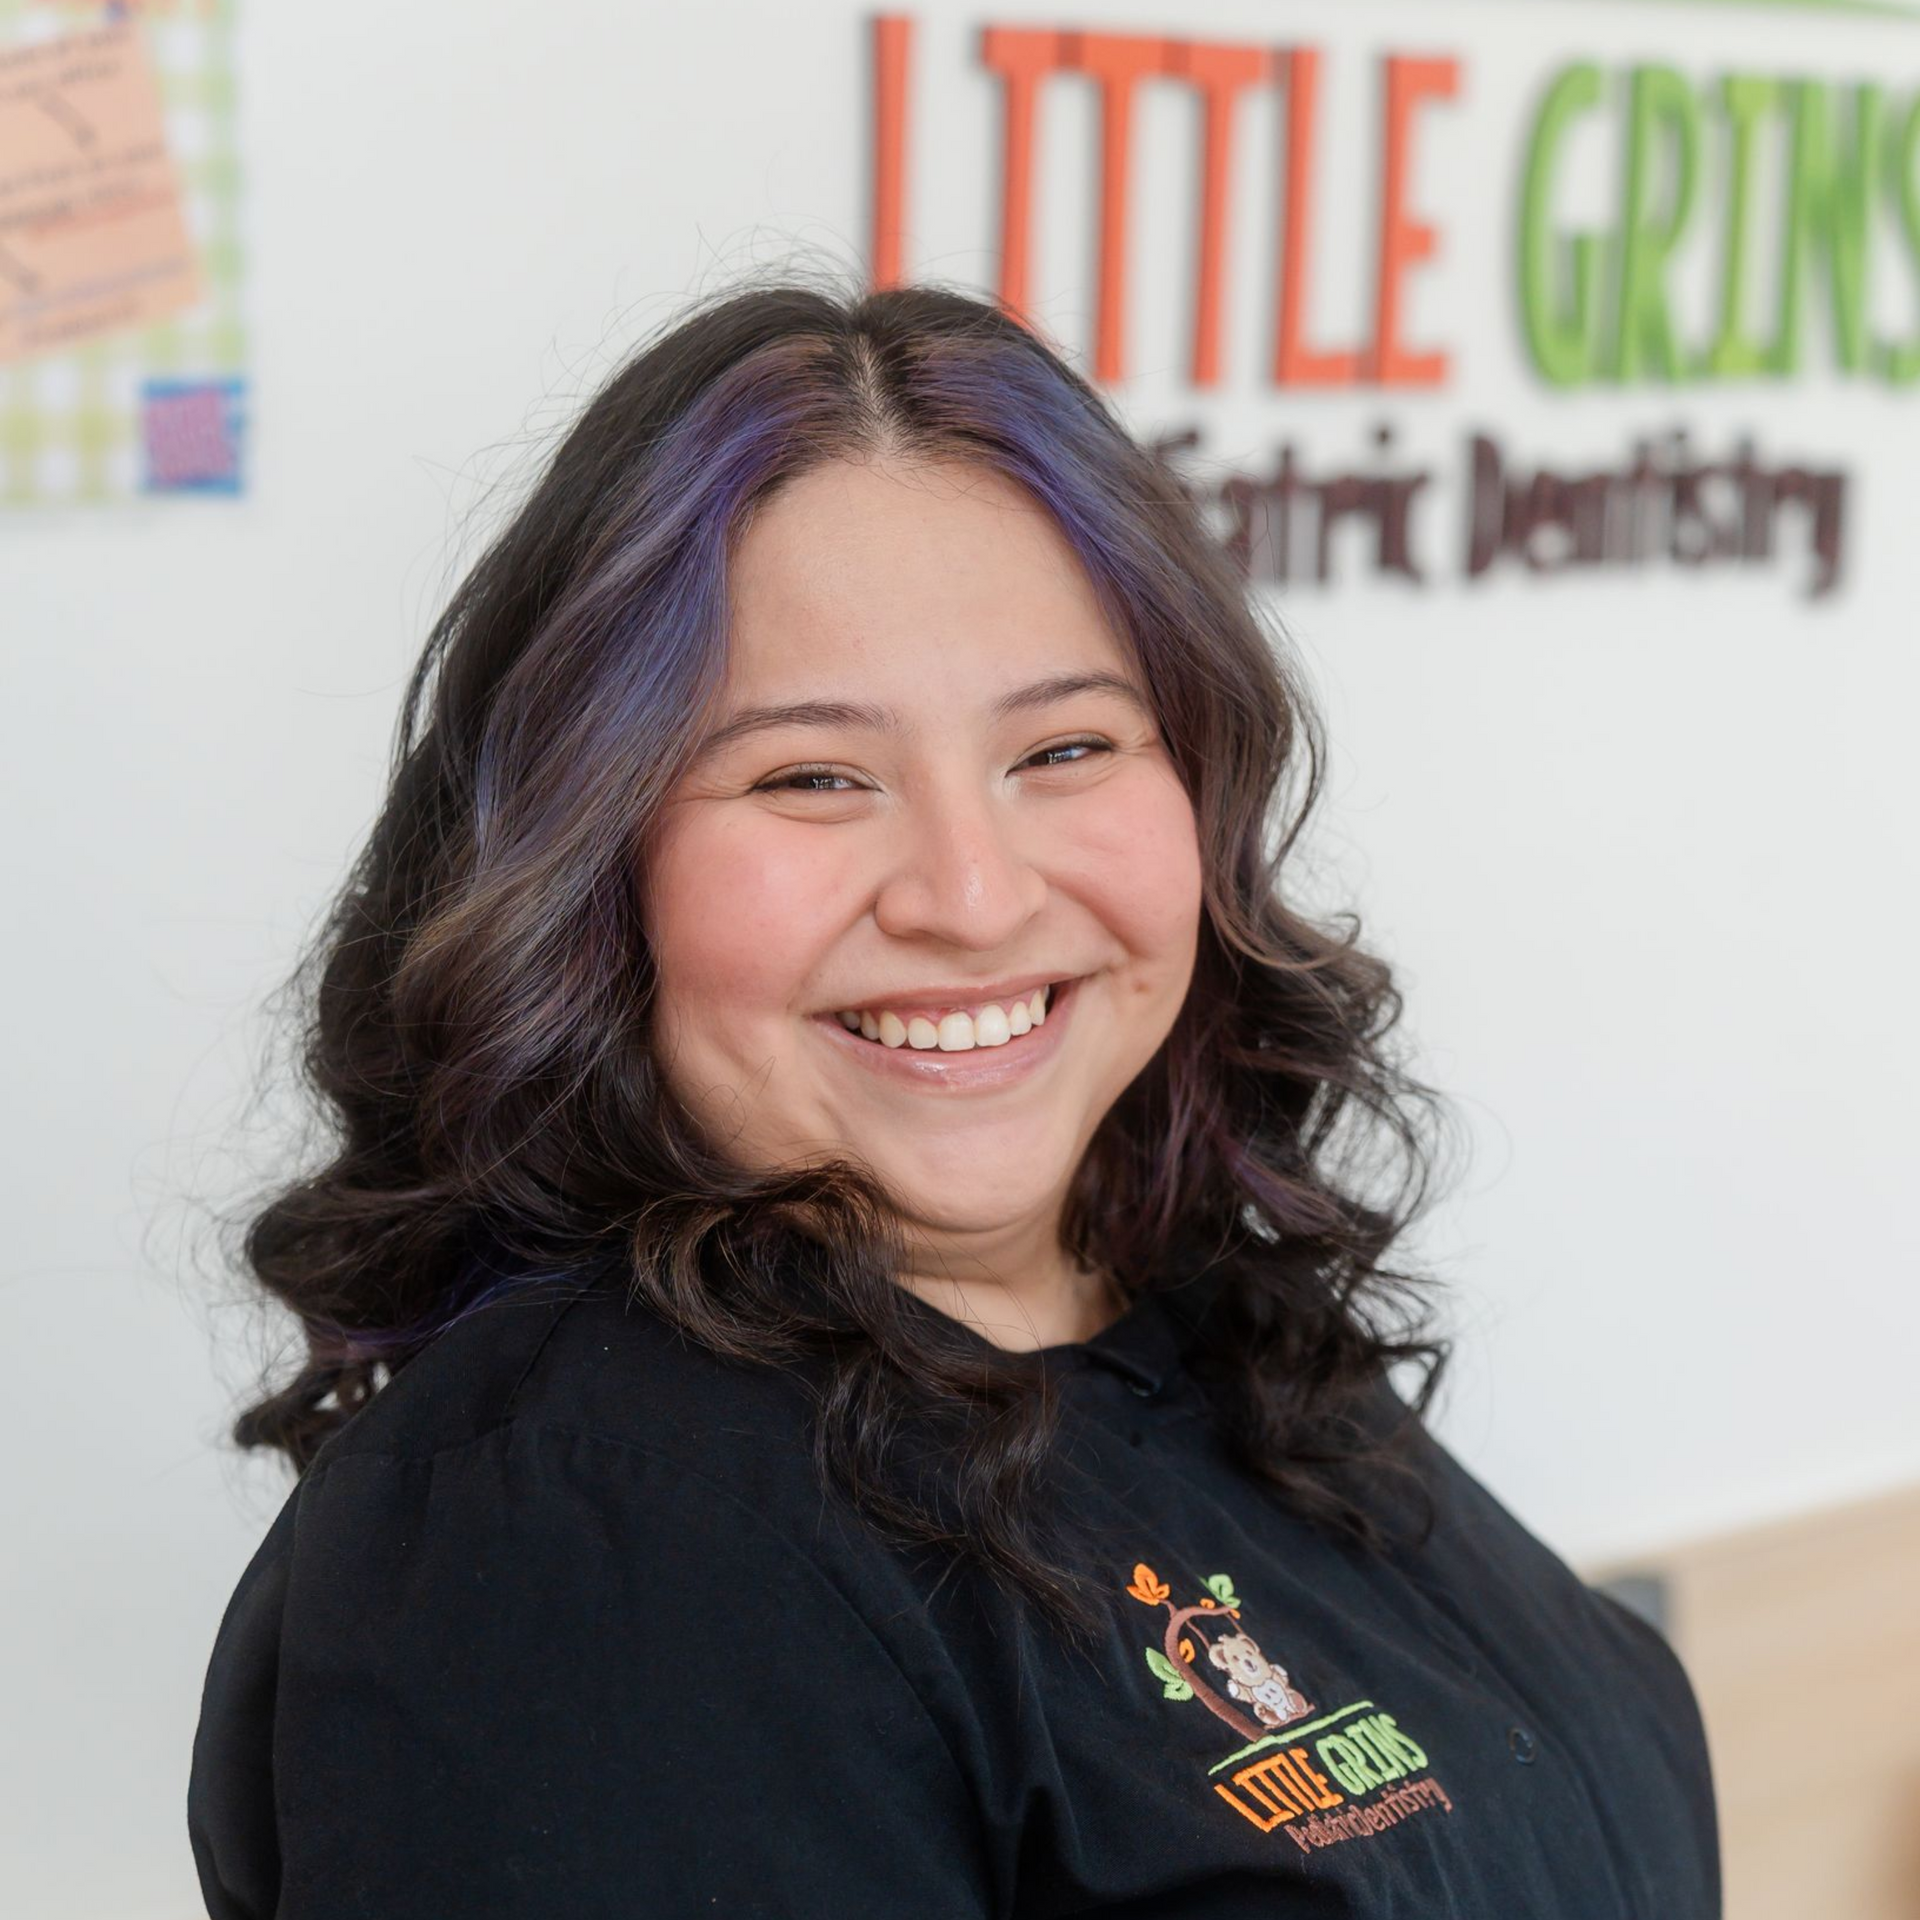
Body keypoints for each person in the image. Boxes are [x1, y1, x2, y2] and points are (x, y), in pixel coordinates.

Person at [187, 273, 1721, 1918]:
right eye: (813, 777)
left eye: (1065, 749)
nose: (973, 896)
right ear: (588, 862)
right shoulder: (586, 1529)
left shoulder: (1210, 1328)